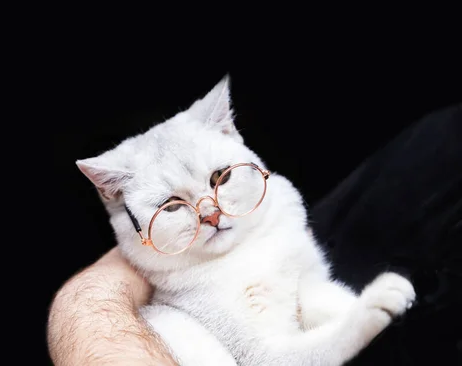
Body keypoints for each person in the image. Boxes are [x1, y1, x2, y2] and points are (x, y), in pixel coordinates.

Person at [47, 104, 461, 365]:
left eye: (218, 178)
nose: (208, 212)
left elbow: (312, 295)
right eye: (172, 205)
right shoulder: (182, 283)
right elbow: (264, 356)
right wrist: (356, 325)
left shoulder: (273, 210)